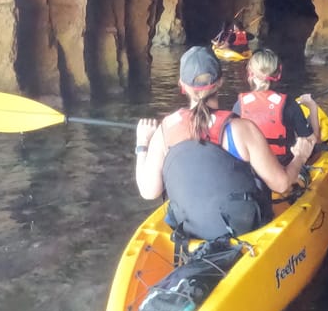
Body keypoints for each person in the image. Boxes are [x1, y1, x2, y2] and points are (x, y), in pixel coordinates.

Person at [134, 46, 314, 241]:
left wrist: (142, 144)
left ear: (182, 86)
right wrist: (300, 156)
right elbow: (281, 184)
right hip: (241, 228)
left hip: (188, 226)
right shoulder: (242, 129)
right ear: (220, 83)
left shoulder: (165, 130)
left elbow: (148, 191)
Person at [233, 49, 321, 166]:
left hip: (251, 170)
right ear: (278, 74)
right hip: (283, 168)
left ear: (250, 73)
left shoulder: (239, 105)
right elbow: (312, 142)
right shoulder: (289, 104)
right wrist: (312, 107)